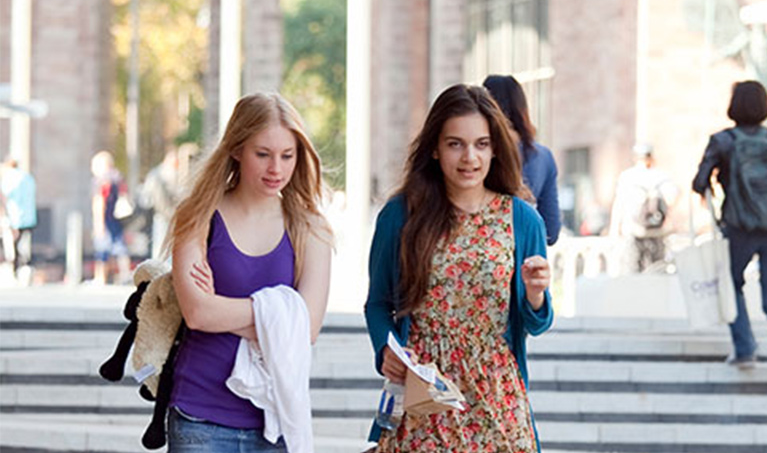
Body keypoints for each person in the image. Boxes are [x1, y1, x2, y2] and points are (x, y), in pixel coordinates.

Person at [364, 84, 554, 453]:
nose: (470, 157)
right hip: (425, 396)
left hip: (498, 398)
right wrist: (387, 350)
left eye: (481, 144)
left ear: (495, 148)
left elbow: (536, 323)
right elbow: (377, 303)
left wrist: (536, 293)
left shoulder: (522, 219)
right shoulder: (401, 216)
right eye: (455, 144)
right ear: (435, 148)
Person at [162, 93, 333, 452]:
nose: (277, 169)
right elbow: (196, 313)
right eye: (263, 154)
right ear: (237, 149)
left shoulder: (311, 227)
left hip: (276, 421)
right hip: (200, 418)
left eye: (288, 155)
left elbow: (309, 327)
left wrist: (221, 308)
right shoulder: (197, 216)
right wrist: (280, 315)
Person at [693, 80, 767, 369]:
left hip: (738, 226)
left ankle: (745, 349)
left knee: (731, 284)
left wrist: (711, 184)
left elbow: (699, 181)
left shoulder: (723, 141)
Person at [483, 75, 562, 245]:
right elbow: (551, 231)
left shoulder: (478, 154)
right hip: (526, 263)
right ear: (522, 108)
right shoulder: (543, 156)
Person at [609, 142, 678, 272]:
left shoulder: (627, 177)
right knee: (657, 271)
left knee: (633, 272)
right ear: (651, 157)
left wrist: (615, 229)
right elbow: (672, 200)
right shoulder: (661, 176)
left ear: (635, 158)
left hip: (633, 231)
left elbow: (619, 204)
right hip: (658, 232)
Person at [90, 151, 132, 284]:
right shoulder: (118, 179)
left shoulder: (101, 182)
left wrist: (98, 223)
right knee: (120, 247)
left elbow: (99, 203)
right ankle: (126, 274)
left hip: (106, 219)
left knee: (102, 249)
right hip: (118, 218)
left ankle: (100, 277)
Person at [1, 156, 37, 285]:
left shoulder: (10, 178)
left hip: (15, 217)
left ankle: (17, 272)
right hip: (30, 217)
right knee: (25, 244)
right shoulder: (28, 177)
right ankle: (27, 269)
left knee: (13, 246)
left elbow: (4, 196)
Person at [142, 146, 180, 259]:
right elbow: (159, 200)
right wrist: (170, 214)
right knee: (160, 246)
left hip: (169, 215)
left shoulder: (163, 173)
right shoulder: (159, 175)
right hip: (163, 216)